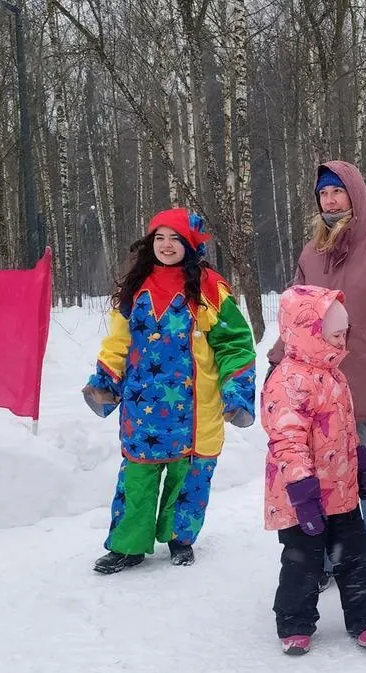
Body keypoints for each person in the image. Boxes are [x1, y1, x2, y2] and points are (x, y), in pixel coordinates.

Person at [266, 161, 366, 598]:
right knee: (325, 480)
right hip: (317, 387)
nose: (330, 200)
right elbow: (295, 317)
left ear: (355, 194)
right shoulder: (309, 254)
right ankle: (337, 560)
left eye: (337, 191)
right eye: (323, 194)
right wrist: (278, 361)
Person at [83, 208, 257, 574]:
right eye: (159, 237)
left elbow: (235, 344)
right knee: (138, 476)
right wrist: (106, 380)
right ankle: (128, 546)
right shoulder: (135, 285)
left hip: (196, 405)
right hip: (143, 403)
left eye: (175, 238)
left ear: (189, 244)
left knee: (189, 476)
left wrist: (236, 390)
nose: (166, 245)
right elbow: (118, 341)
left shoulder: (210, 287)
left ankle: (180, 539)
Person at [261, 285, 366, 655]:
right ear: (307, 332)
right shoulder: (287, 382)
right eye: (333, 334)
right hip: (300, 494)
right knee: (303, 561)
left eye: (342, 333)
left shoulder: (333, 374)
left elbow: (346, 427)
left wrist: (359, 461)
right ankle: (295, 623)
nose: (340, 340)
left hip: (341, 490)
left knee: (356, 556)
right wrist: (302, 493)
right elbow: (287, 442)